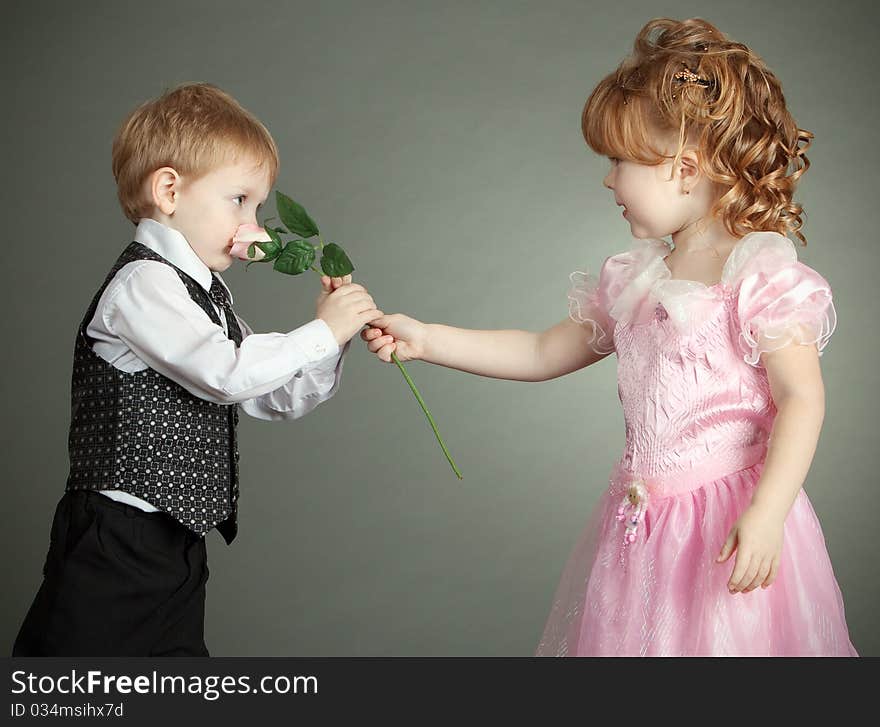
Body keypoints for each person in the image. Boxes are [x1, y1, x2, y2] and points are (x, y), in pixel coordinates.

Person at [359, 18, 859, 656]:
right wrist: (426, 338)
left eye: (619, 162)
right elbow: (542, 352)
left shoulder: (757, 277)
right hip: (643, 533)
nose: (606, 180)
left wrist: (768, 512)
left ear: (683, 167)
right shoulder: (635, 283)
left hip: (728, 526)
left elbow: (802, 399)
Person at [12, 82, 383, 656]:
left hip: (176, 541)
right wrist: (320, 333)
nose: (253, 226)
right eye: (240, 200)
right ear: (168, 191)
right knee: (72, 681)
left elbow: (268, 397)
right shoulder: (144, 283)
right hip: (117, 535)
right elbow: (225, 373)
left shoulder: (207, 295)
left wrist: (333, 339)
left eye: (258, 206)